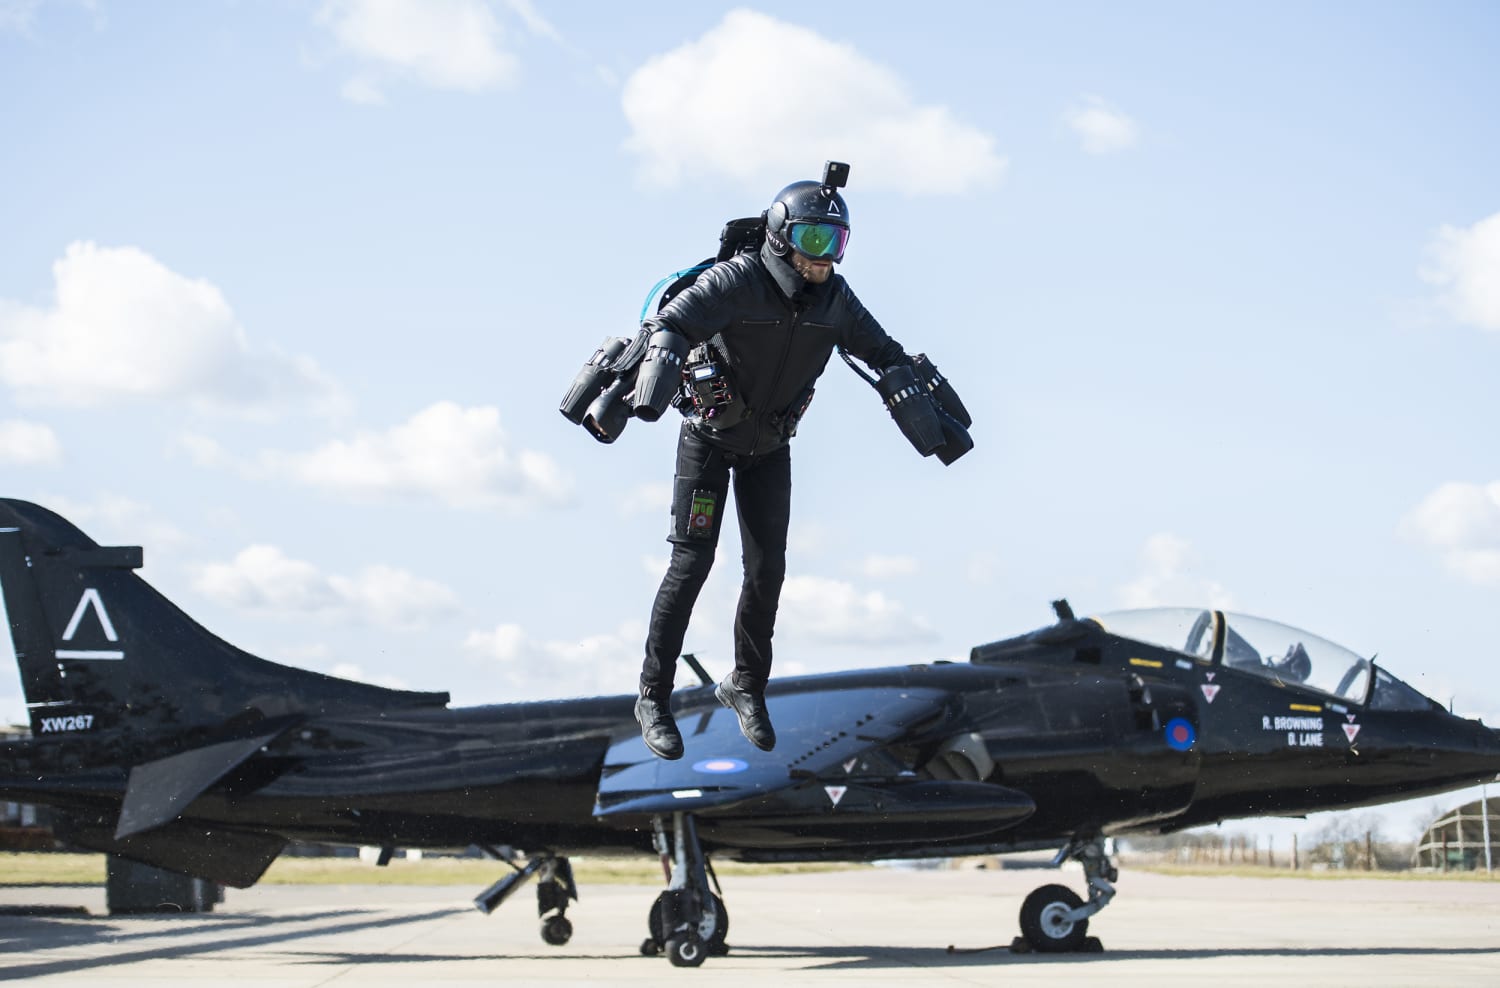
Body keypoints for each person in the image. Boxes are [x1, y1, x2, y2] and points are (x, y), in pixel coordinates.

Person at [633, 169, 913, 760]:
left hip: (770, 451)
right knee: (692, 563)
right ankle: (653, 697)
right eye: (815, 240)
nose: (826, 256)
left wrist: (909, 383)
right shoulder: (738, 280)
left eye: (836, 242)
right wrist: (658, 362)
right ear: (783, 237)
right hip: (708, 441)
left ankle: (745, 685)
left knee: (767, 571)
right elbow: (674, 321)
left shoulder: (836, 301)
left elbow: (883, 351)